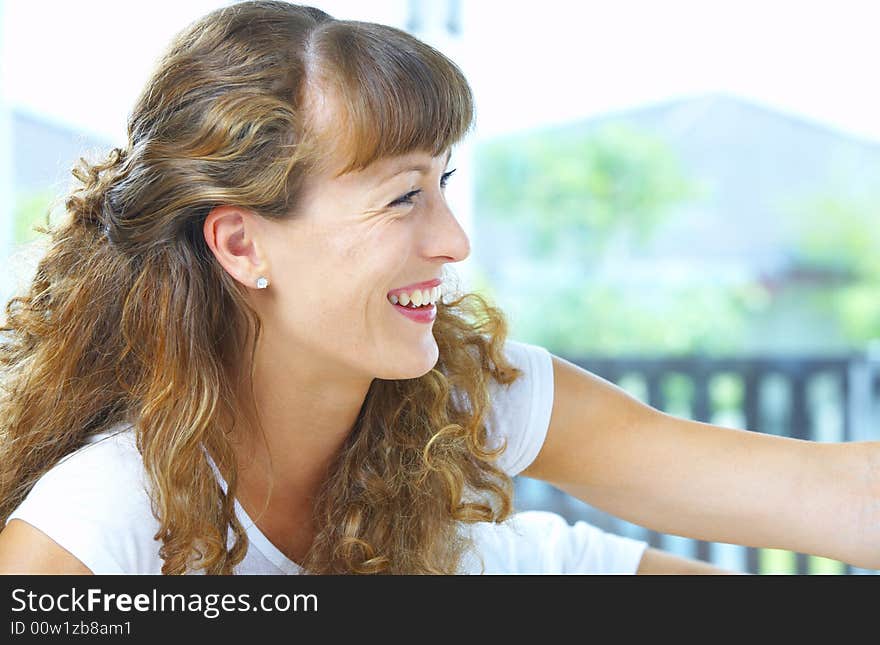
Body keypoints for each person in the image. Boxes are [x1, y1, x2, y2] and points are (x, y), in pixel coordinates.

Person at [0, 1, 874, 576]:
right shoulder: (96, 524)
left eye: (443, 183)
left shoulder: (455, 388)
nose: (453, 242)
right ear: (241, 241)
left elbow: (821, 493)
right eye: (402, 197)